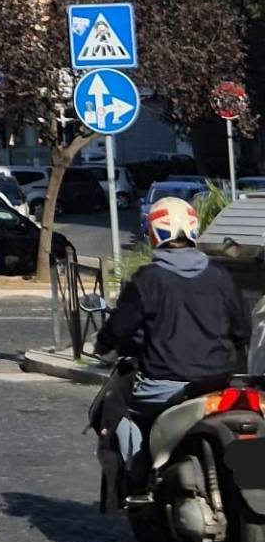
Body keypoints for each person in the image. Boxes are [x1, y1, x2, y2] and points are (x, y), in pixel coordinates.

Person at [91, 194, 251, 505]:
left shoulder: (148, 280)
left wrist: (104, 344)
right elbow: (242, 329)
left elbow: (119, 330)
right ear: (193, 229)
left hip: (164, 387)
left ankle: (138, 482)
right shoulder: (221, 276)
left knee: (117, 408)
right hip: (219, 384)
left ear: (153, 233)